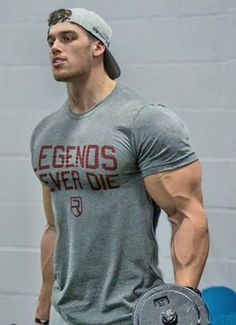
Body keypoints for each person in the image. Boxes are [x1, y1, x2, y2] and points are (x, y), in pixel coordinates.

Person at [30, 7, 209, 325]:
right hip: (63, 314)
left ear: (98, 47)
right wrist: (43, 310)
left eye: (68, 38)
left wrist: (180, 307)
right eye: (51, 41)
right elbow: (54, 227)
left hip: (131, 314)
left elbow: (186, 216)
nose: (55, 47)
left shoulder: (146, 121)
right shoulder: (45, 133)